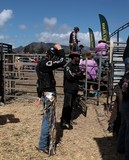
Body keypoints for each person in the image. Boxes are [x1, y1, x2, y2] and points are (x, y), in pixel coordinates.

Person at [34, 44, 66, 155]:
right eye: (55, 57)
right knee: (48, 120)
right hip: (49, 94)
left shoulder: (41, 64)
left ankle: (45, 143)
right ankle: (43, 145)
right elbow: (62, 62)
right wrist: (61, 49)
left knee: (48, 119)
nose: (55, 59)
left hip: (46, 93)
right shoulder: (45, 63)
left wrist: (38, 95)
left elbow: (39, 82)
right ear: (52, 56)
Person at [60, 51, 83, 129]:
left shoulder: (76, 66)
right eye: (78, 57)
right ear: (74, 57)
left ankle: (68, 120)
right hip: (69, 88)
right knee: (67, 105)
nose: (79, 58)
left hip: (74, 88)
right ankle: (63, 121)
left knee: (72, 105)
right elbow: (70, 77)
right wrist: (77, 74)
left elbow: (81, 75)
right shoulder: (68, 66)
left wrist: (78, 75)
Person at [117, 62, 129, 160]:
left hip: (125, 102)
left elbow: (120, 85)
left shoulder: (126, 74)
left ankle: (120, 148)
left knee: (124, 126)